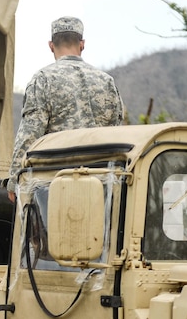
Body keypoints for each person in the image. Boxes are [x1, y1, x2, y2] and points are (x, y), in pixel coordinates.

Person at [8, 16, 125, 201]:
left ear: (51, 45)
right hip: (100, 185)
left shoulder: (43, 79)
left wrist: (14, 178)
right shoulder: (106, 81)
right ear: (82, 44)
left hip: (54, 185)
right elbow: (117, 135)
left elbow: (29, 134)